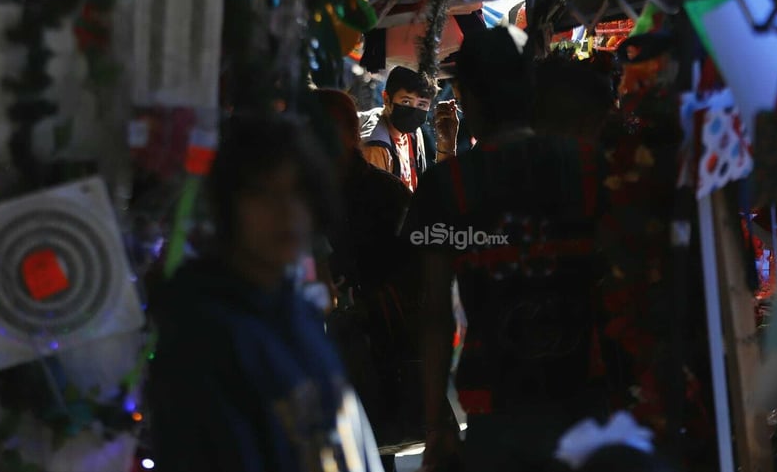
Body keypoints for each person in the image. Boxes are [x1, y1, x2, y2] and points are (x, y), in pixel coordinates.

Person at [401, 26, 609, 472]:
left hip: (496, 406)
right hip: (590, 394)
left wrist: (437, 424)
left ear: (469, 96)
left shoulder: (446, 185)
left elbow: (434, 311)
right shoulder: (588, 165)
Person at [148, 114, 383, 472]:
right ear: (227, 205)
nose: (286, 212)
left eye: (298, 193)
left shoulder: (296, 311)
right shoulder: (204, 333)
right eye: (263, 193)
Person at [310, 88, 423, 470]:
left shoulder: (385, 193)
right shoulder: (302, 196)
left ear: (348, 132)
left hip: (375, 350)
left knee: (372, 450)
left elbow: (417, 272)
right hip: (321, 352)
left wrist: (368, 303)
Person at [360, 66, 458, 191]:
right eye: (406, 102)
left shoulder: (413, 133)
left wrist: (446, 146)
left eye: (421, 104)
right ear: (386, 99)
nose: (413, 111)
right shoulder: (376, 149)